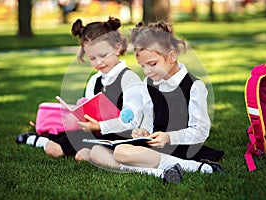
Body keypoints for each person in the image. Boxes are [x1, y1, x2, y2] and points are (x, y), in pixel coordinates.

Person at [87, 21, 224, 182]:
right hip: (155, 146)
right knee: (96, 151)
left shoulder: (194, 86)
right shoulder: (149, 84)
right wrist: (143, 132)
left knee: (120, 152)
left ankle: (197, 167)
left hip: (182, 146)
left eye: (152, 64)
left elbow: (200, 132)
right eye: (142, 66)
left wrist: (169, 137)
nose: (147, 71)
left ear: (172, 56)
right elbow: (150, 122)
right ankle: (160, 172)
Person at [16, 17, 153, 162]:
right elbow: (88, 111)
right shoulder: (95, 81)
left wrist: (100, 126)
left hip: (120, 136)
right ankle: (36, 139)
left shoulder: (129, 78)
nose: (98, 62)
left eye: (103, 55)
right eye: (92, 58)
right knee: (53, 148)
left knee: (73, 151)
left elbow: (133, 122)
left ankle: (84, 150)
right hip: (96, 134)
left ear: (117, 48)